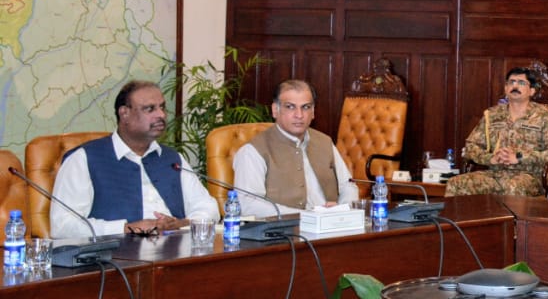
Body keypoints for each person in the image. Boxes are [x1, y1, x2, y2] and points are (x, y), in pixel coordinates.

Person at [51, 80, 219, 238]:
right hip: (116, 262)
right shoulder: (83, 159)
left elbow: (209, 208)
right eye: (150, 109)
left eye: (162, 107)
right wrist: (126, 229)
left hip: (176, 256)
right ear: (124, 113)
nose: (161, 115)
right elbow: (62, 225)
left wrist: (180, 223)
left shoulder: (172, 159)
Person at [232, 78, 358, 217]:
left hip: (331, 228)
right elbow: (248, 205)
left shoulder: (325, 142)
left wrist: (342, 210)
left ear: (313, 112)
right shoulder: (252, 151)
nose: (299, 115)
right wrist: (305, 216)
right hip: (285, 233)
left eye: (306, 107)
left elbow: (348, 185)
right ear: (275, 110)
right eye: (290, 107)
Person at [450, 67, 548, 197]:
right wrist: (490, 158)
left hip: (528, 177)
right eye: (511, 82)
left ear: (532, 91)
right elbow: (470, 147)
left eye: (521, 83)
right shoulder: (492, 115)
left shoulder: (545, 117)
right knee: (456, 183)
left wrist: (519, 157)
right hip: (494, 173)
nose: (515, 86)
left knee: (513, 187)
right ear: (505, 89)